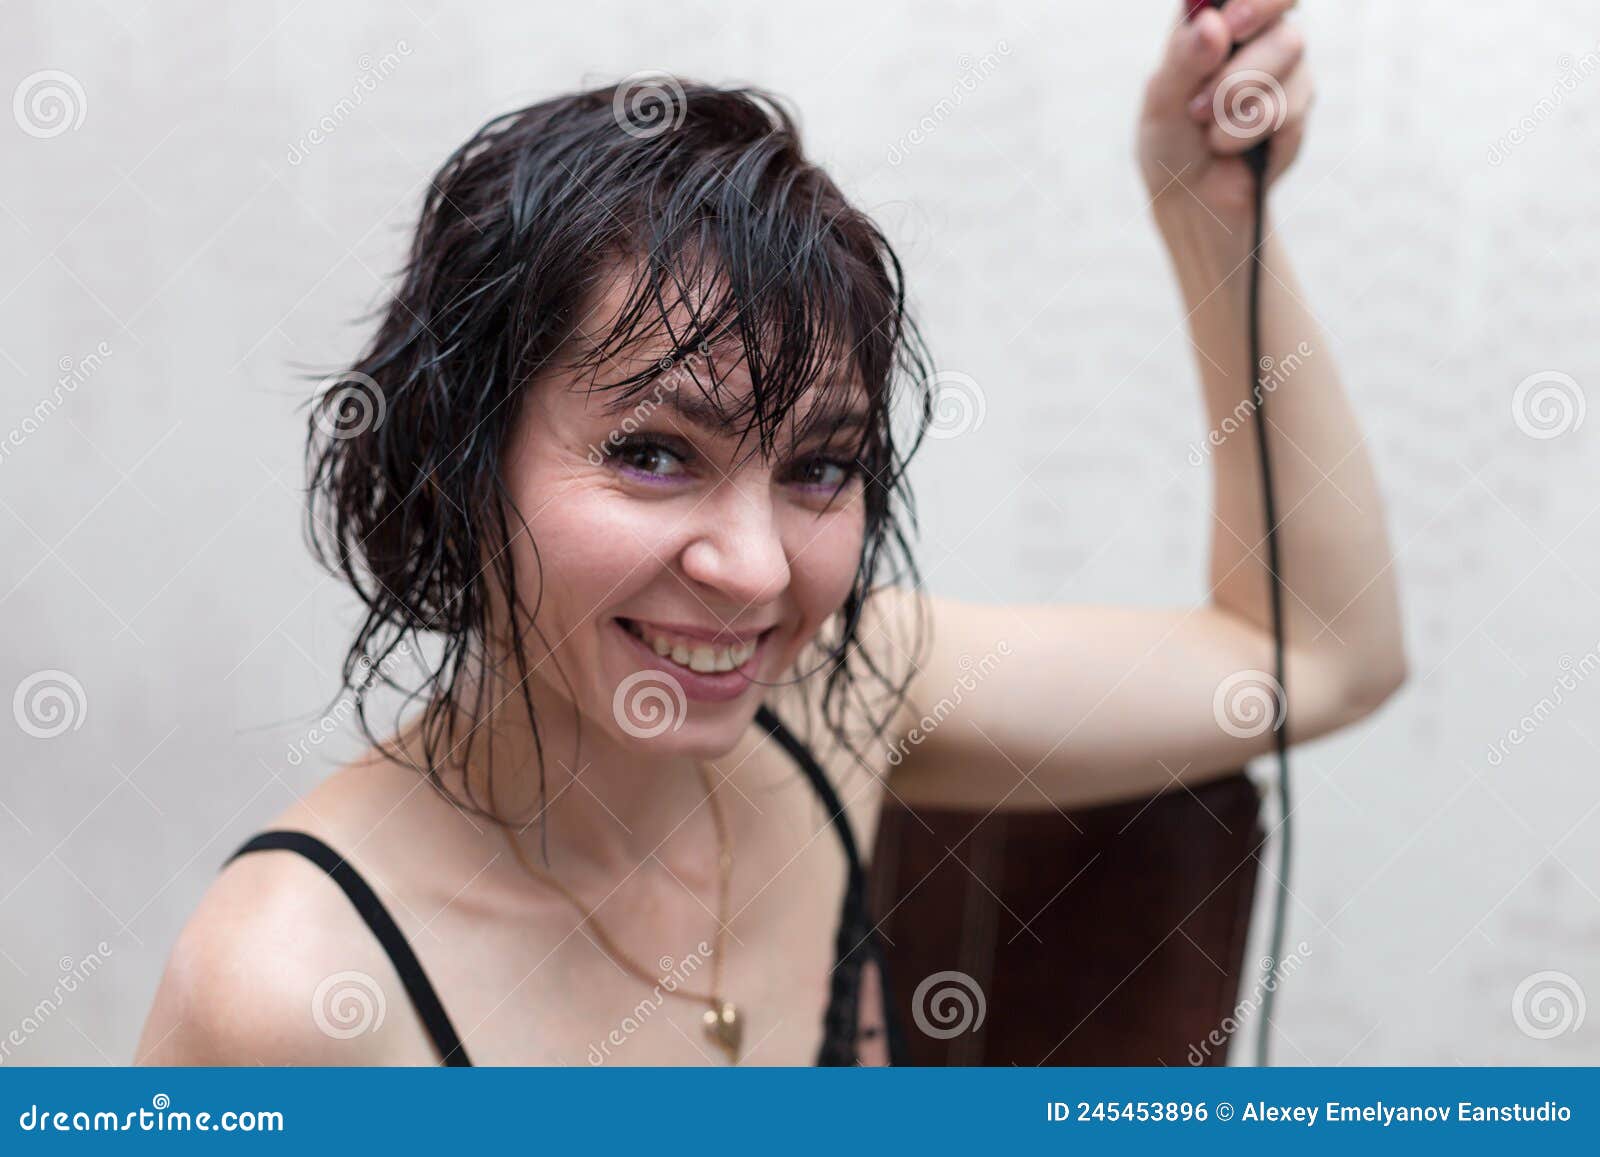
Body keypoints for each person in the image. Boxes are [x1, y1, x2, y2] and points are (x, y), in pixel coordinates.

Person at [138, 0, 1404, 1067]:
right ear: (455, 455)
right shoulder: (293, 994)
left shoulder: (846, 700)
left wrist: (1206, 215)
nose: (750, 570)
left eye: (818, 468)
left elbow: (1322, 655)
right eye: (651, 453)